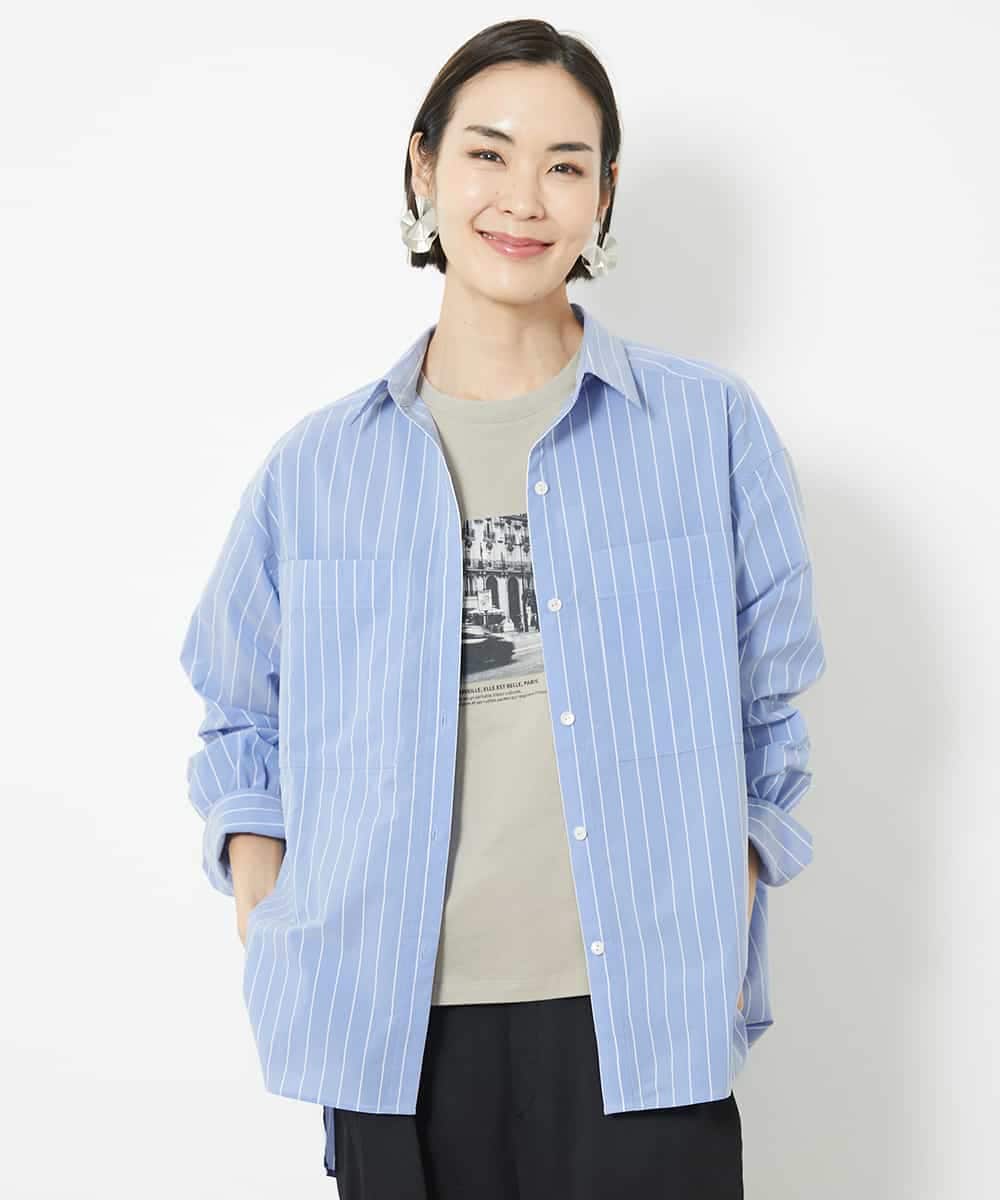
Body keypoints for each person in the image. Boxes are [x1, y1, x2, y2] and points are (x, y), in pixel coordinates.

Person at [177, 18, 826, 1199]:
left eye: (565, 165)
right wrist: (268, 908)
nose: (523, 198)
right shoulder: (317, 468)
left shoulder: (706, 431)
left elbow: (767, 707)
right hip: (390, 1029)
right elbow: (239, 715)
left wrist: (721, 896)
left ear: (603, 196)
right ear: (423, 166)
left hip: (643, 1021)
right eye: (487, 153)